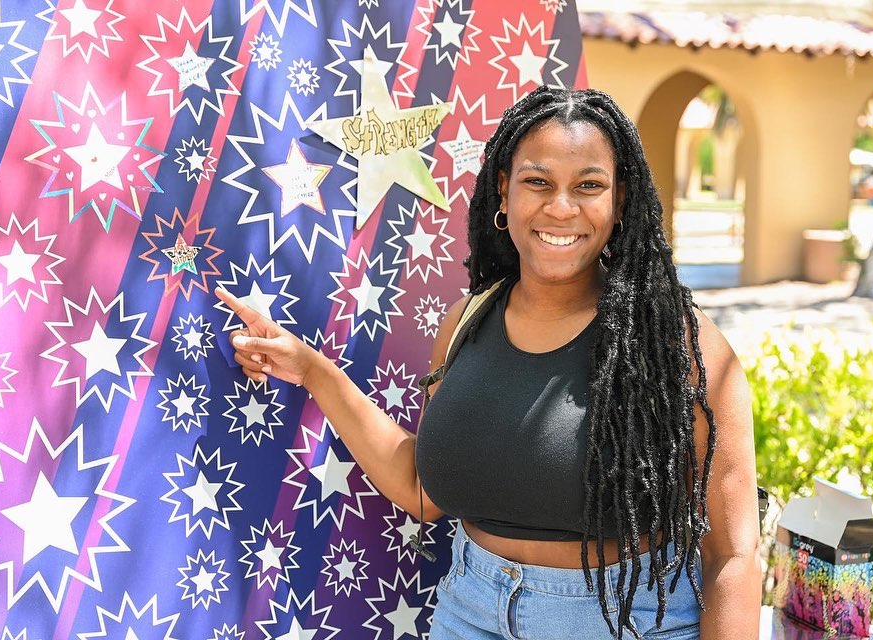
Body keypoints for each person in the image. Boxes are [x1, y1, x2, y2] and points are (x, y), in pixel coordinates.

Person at [216, 86, 761, 639]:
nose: (562, 207)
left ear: (620, 201)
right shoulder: (466, 322)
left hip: (619, 621)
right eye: (538, 182)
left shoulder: (675, 343)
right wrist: (312, 370)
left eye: (589, 186)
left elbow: (732, 554)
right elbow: (421, 488)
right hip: (468, 611)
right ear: (504, 191)